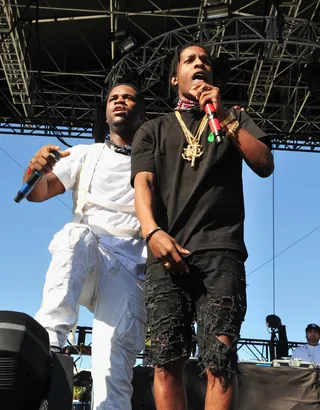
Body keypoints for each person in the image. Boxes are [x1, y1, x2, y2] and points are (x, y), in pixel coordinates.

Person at [131, 43, 274, 410]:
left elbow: (264, 163)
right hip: (166, 250)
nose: (199, 65)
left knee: (220, 363)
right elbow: (143, 186)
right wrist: (152, 232)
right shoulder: (152, 129)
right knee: (165, 362)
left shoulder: (234, 117)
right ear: (174, 77)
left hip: (221, 250)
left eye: (205, 61)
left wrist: (224, 116)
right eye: (189, 60)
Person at [24, 82, 147, 410]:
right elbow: (38, 191)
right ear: (106, 113)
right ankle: (48, 345)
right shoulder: (85, 154)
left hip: (132, 269)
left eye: (128, 97)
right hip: (89, 256)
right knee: (74, 235)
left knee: (112, 374)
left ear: (141, 112)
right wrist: (37, 169)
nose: (119, 101)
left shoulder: (154, 161)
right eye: (113, 98)